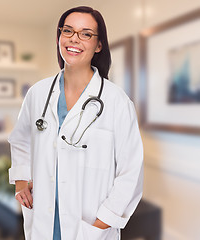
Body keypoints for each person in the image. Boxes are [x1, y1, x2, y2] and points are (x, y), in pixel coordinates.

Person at [8, 6, 143, 240]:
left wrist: (101, 225)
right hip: (43, 220)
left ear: (99, 45)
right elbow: (20, 140)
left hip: (90, 227)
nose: (74, 39)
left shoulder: (117, 102)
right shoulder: (38, 93)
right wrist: (21, 181)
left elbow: (130, 172)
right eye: (68, 31)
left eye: (86, 33)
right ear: (59, 36)